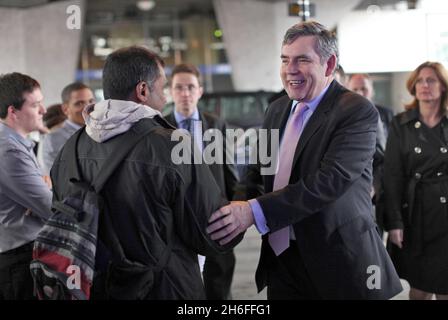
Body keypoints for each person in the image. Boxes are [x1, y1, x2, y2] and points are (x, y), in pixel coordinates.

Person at [206, 21, 402, 299]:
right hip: (282, 259)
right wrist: (229, 210)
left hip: (338, 261)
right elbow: (257, 171)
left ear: (329, 64)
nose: (290, 70)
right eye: (285, 60)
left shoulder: (356, 111)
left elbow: (328, 182)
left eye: (302, 60)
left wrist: (252, 211)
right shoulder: (277, 109)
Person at [50, 46, 241, 299]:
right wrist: (244, 214)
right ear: (142, 91)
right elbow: (210, 233)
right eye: (162, 89)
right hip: (163, 288)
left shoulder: (70, 148)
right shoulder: (173, 144)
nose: (164, 99)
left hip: (93, 287)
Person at [164, 63, 238, 300]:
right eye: (179, 88)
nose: (185, 93)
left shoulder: (216, 125)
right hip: (175, 223)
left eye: (190, 87)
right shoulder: (160, 127)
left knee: (219, 285)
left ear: (200, 90)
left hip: (213, 218)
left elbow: (229, 173)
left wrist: (233, 210)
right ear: (170, 91)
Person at [384, 61, 448, 300]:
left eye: (431, 80)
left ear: (443, 86)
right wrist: (394, 222)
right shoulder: (401, 123)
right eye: (420, 81)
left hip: (447, 214)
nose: (424, 85)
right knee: (419, 288)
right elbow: (392, 176)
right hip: (415, 213)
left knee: (446, 287)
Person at [0, 72, 52, 300]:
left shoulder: (14, 143)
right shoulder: (9, 150)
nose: (44, 111)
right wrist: (48, 192)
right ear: (13, 111)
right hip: (18, 259)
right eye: (36, 105)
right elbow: (51, 206)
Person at [347, 73, 392, 234]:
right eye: (355, 89)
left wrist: (375, 186)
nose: (359, 93)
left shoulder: (385, 114)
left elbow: (387, 156)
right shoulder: (341, 115)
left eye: (364, 89)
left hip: (376, 187)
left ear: (371, 90)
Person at [37, 82, 95, 175]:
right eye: (79, 103)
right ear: (65, 109)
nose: (87, 107)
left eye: (91, 101)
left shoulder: (99, 131)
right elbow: (54, 177)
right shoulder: (53, 138)